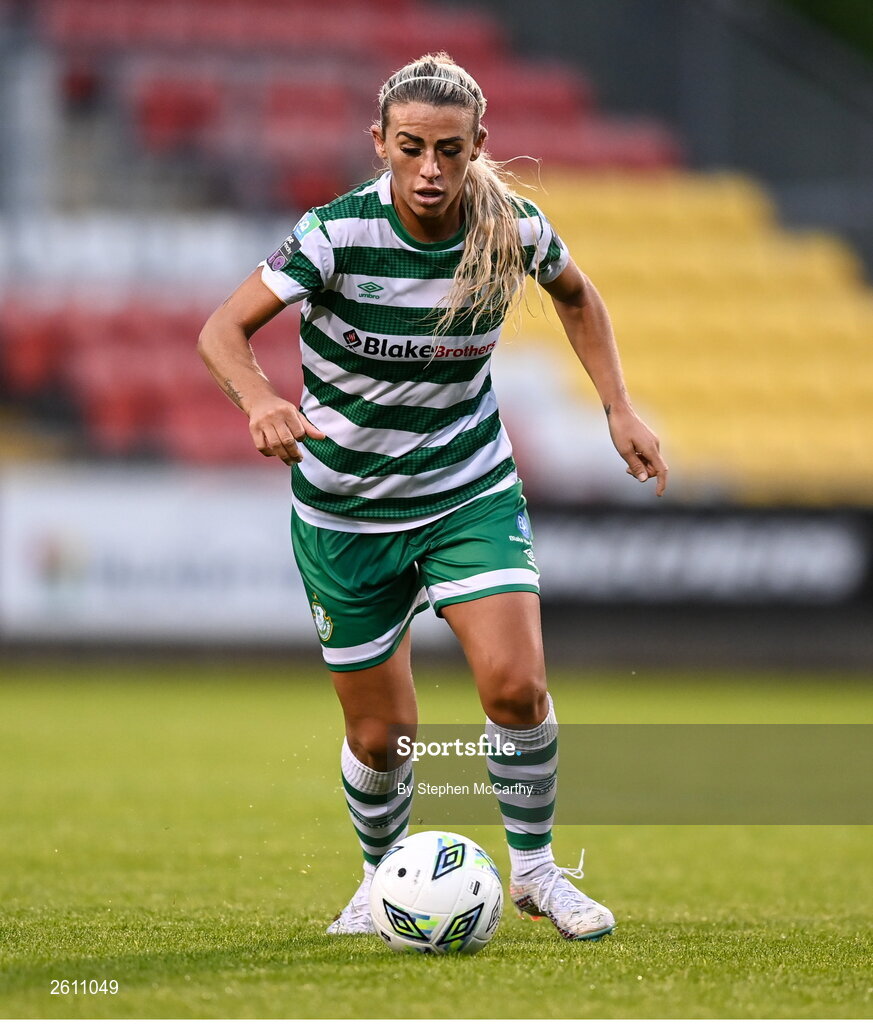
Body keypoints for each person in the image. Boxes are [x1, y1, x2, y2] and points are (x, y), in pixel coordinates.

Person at [198, 52, 667, 942]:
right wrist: (260, 401)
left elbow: (577, 296)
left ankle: (533, 873)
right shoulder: (335, 236)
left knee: (517, 686)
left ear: (477, 145)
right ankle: (380, 886)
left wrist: (618, 407)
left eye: (449, 151)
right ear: (378, 142)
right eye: (409, 147)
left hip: (465, 492)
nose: (429, 170)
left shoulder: (511, 228)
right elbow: (222, 330)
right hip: (345, 513)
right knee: (383, 741)